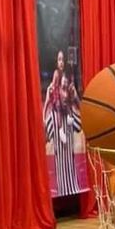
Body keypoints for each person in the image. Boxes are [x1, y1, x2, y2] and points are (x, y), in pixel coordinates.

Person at [44, 53, 83, 198]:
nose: (61, 62)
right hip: (58, 118)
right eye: (59, 59)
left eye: (63, 59)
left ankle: (71, 185)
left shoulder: (69, 81)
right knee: (58, 121)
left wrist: (74, 98)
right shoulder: (53, 85)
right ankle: (60, 129)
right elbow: (49, 103)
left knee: (69, 120)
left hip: (67, 118)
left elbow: (78, 112)